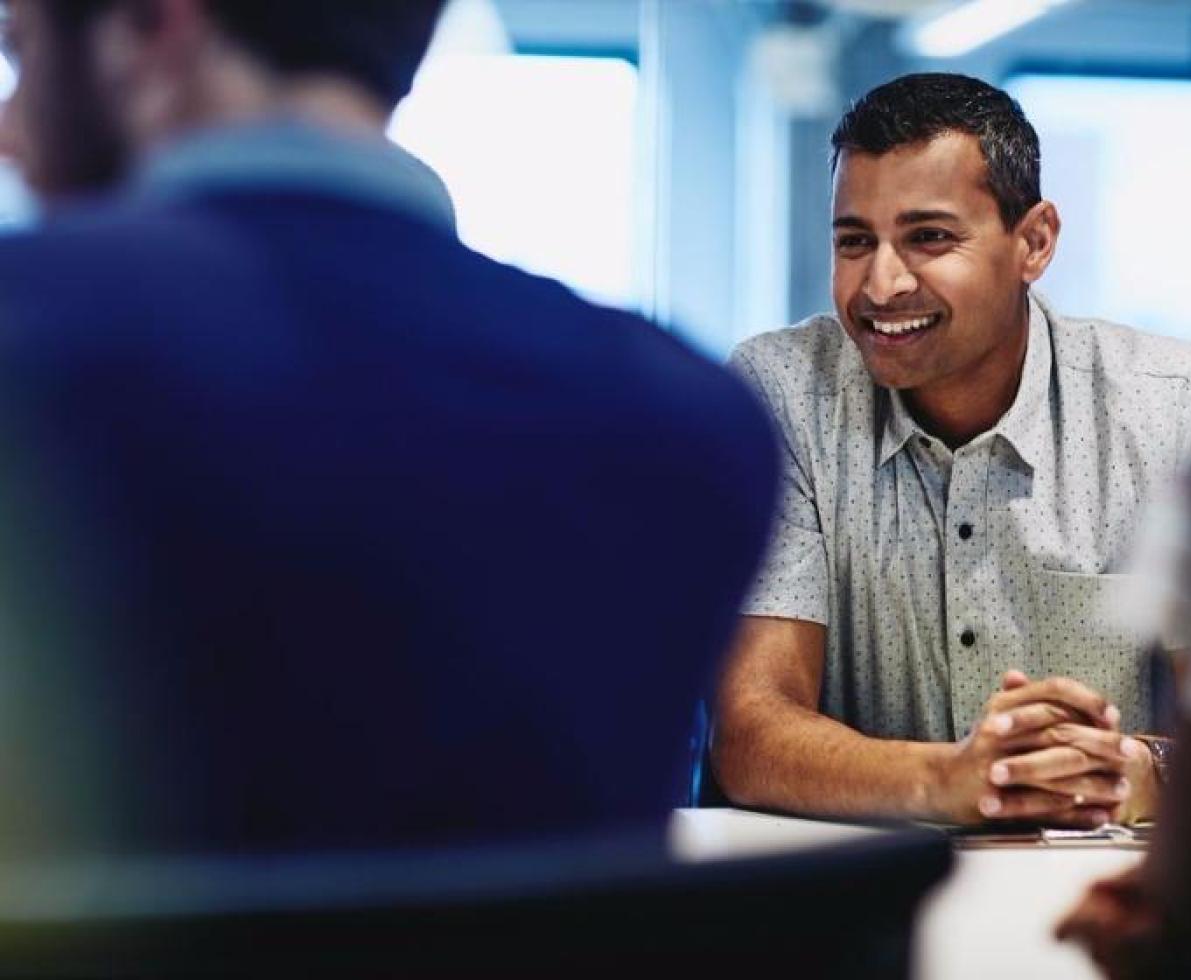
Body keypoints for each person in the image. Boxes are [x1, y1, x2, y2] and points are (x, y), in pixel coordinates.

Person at [0, 0, 777, 855]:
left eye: (20, 49)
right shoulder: (692, 424)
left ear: (153, 28)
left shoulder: (29, 335)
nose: (8, 127)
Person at [713, 71, 1189, 828]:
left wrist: (1141, 772)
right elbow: (752, 733)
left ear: (1033, 242)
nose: (881, 283)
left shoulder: (1169, 409)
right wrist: (955, 780)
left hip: (1102, 894)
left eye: (928, 237)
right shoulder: (783, 394)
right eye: (854, 241)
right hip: (857, 903)